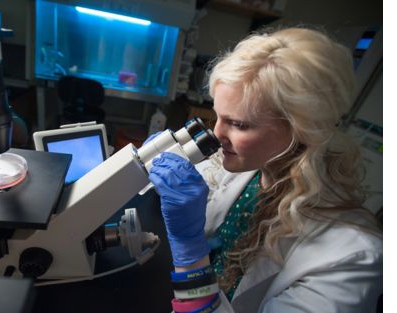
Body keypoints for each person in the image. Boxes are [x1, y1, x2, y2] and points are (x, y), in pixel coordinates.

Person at [148, 27, 382, 313]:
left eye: (240, 124)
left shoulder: (350, 256)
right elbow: (206, 183)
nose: (216, 133)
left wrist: (189, 249)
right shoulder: (253, 166)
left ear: (302, 129)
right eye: (218, 116)